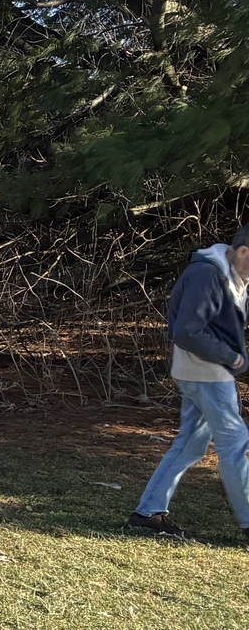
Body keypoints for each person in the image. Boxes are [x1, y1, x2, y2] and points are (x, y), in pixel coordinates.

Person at [130, 225, 249, 538]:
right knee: (235, 444)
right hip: (207, 371)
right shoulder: (209, 275)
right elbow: (186, 330)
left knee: (191, 443)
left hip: (200, 371)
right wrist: (232, 358)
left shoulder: (228, 274)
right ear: (243, 252)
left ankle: (148, 513)